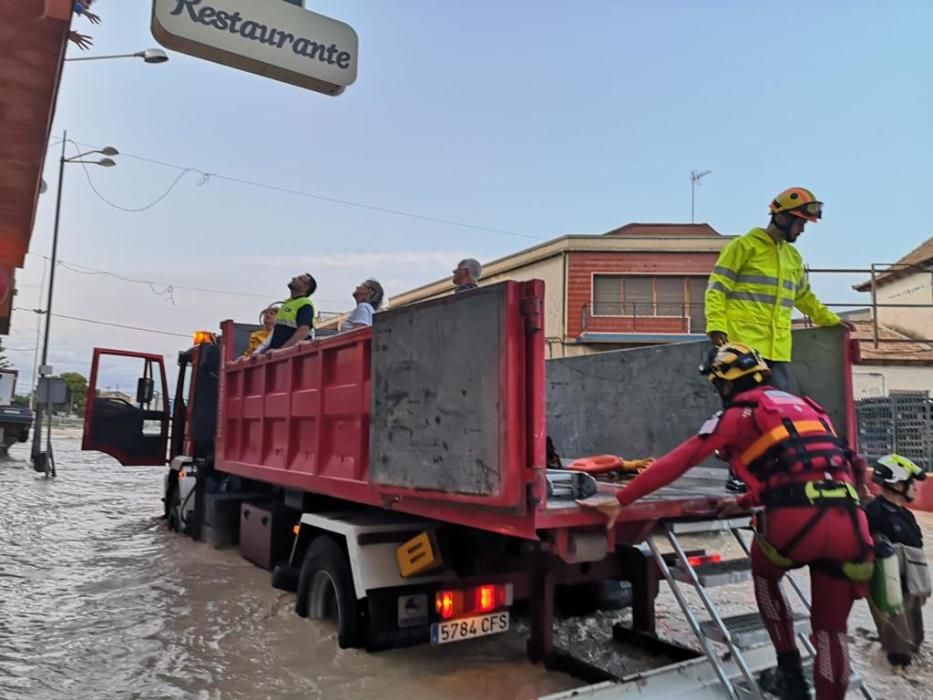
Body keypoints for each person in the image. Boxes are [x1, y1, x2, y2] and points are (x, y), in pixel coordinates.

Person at [591, 343, 873, 700]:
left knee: (766, 576)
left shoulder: (738, 415)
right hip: (851, 525)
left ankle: (789, 672)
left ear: (725, 385)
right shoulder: (810, 410)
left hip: (794, 525)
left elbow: (682, 459)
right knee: (833, 633)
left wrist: (621, 500)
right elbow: (814, 471)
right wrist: (742, 501)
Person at [705, 187, 843, 493]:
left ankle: (765, 473)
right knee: (742, 417)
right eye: (800, 222)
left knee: (773, 417)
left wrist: (832, 322)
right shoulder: (744, 247)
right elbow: (717, 288)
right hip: (742, 348)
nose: (803, 229)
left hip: (778, 350)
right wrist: (716, 325)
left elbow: (804, 298)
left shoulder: (792, 256)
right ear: (781, 217)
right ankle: (738, 473)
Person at [865, 454, 930, 668]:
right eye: (912, 483)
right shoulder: (872, 512)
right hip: (891, 594)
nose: (915, 488)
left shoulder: (906, 516)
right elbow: (859, 545)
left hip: (911, 590)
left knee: (914, 645)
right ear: (898, 484)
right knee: (898, 655)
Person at [253, 273, 317, 355]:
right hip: (280, 357)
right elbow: (275, 332)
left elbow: (303, 332)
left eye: (300, 278)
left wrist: (281, 351)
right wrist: (258, 351)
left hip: (293, 357)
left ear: (305, 288)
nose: (294, 278)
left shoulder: (305, 304)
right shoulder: (287, 304)